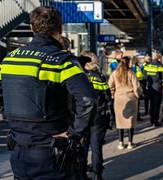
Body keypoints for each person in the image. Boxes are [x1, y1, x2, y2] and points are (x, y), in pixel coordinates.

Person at [0, 6, 97, 179]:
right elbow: (88, 100)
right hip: (52, 153)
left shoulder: (9, 59)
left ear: (31, 27)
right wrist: (74, 134)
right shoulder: (62, 61)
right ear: (60, 28)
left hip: (18, 151)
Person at [79, 51, 111, 180]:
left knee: (82, 146)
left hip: (82, 115)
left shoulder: (79, 76)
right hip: (98, 115)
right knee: (96, 145)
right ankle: (98, 174)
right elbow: (107, 96)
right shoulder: (99, 76)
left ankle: (82, 174)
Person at [108, 56, 142, 149]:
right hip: (130, 98)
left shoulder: (115, 73)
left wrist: (113, 94)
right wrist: (137, 95)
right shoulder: (131, 72)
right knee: (130, 121)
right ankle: (130, 143)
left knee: (120, 121)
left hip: (118, 98)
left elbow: (110, 85)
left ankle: (120, 143)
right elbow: (136, 87)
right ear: (128, 63)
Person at [144, 54, 163, 127]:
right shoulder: (160, 66)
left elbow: (145, 77)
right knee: (157, 105)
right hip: (158, 87)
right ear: (159, 58)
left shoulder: (148, 65)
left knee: (151, 104)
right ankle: (155, 121)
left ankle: (151, 120)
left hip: (150, 86)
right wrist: (159, 82)